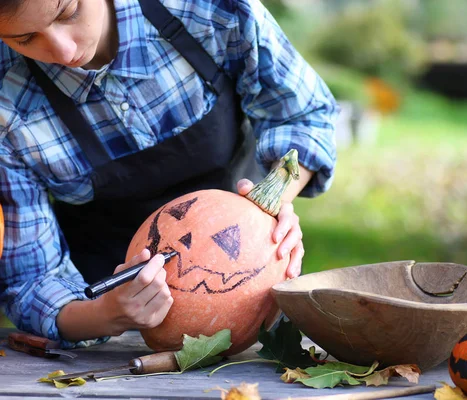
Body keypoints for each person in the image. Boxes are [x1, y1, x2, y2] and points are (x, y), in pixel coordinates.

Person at [0, 0, 337, 348]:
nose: (65, 51)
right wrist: (103, 314)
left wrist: (271, 206)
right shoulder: (4, 103)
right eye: (25, 38)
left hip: (250, 296)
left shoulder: (210, 9)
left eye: (68, 13)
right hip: (103, 339)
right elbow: (29, 281)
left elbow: (302, 115)